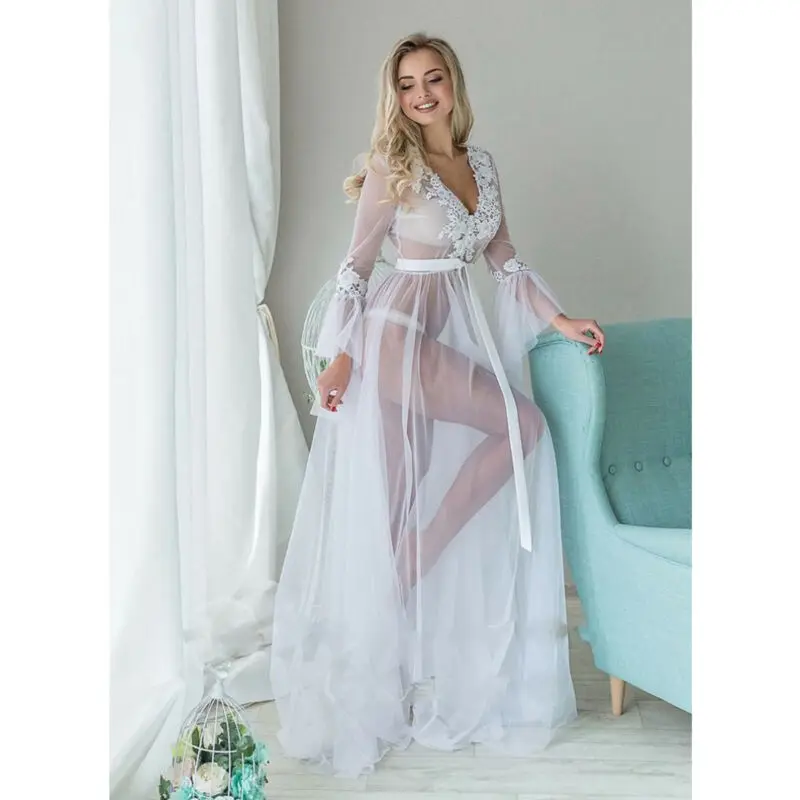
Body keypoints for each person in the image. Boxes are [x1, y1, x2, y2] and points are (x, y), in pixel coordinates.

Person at [270, 32, 606, 777]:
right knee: (415, 491)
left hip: (449, 329)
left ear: (453, 83)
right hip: (394, 333)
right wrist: (341, 354)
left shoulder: (480, 164)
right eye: (408, 84)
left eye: (433, 79)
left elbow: (503, 259)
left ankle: (402, 594)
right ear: (395, 95)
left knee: (504, 437)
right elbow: (356, 269)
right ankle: (381, 654)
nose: (422, 94)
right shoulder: (391, 165)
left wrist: (559, 320)